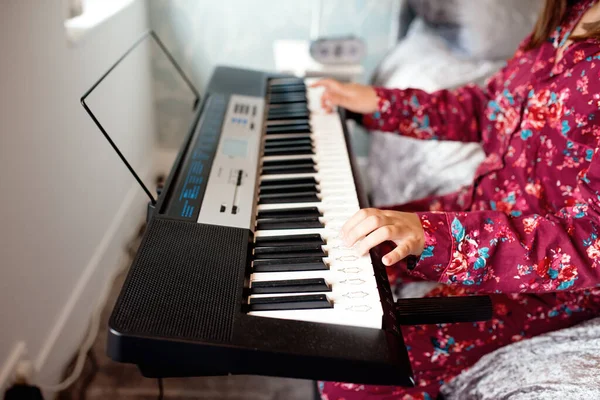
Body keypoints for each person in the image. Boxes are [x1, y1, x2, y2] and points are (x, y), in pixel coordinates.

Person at [314, 0, 600, 398]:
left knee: (354, 369)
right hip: (483, 208)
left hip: (550, 277)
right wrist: (382, 103)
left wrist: (437, 238)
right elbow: (491, 108)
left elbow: (591, 240)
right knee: (331, 242)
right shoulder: (573, 10)